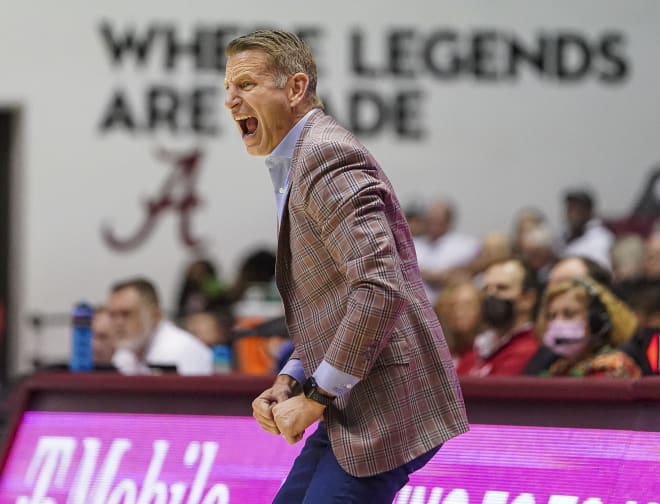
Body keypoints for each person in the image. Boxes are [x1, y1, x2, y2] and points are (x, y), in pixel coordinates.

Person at [224, 30, 468, 503]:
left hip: (388, 403)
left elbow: (379, 287)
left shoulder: (325, 156)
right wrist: (290, 378)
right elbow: (335, 301)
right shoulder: (297, 159)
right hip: (353, 401)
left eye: (247, 85)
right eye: (228, 88)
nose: (231, 100)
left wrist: (315, 398)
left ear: (295, 89)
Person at [532, 277, 639, 378]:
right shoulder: (557, 368)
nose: (557, 323)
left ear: (596, 322)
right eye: (552, 316)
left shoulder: (614, 369)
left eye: (569, 314)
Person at [106, 277, 213, 375]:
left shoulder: (177, 350)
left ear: (155, 315)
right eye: (112, 315)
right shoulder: (125, 353)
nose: (118, 323)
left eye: (126, 314)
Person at [456, 258, 539, 376]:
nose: (491, 295)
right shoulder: (476, 347)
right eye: (486, 289)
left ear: (527, 299)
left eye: (502, 288)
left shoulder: (528, 350)